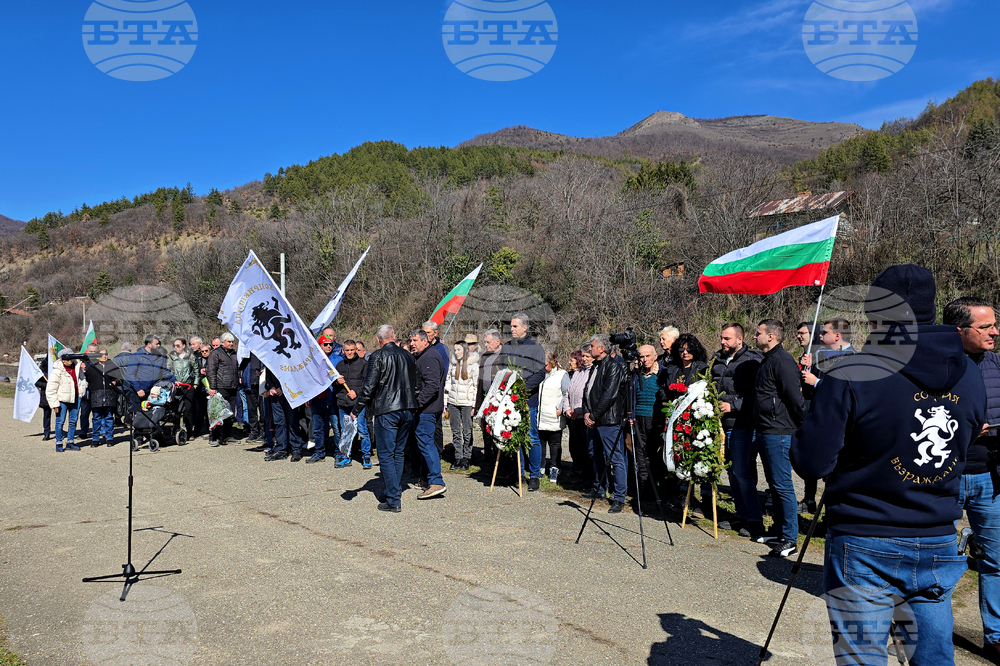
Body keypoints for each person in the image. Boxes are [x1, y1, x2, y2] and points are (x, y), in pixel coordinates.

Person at [792, 265, 986, 665]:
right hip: (936, 534)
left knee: (862, 658)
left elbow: (811, 461)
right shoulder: (970, 373)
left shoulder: (851, 372)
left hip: (866, 536)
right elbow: (964, 443)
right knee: (935, 658)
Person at [943, 296, 1000, 658]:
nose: (995, 332)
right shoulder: (935, 367)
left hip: (990, 479)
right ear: (958, 330)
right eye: (985, 327)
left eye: (994, 324)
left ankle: (996, 636)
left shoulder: (998, 365)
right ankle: (927, 627)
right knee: (937, 560)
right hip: (942, 479)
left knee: (996, 561)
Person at [753, 319, 806, 558]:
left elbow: (794, 397)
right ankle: (778, 531)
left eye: (758, 333)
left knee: (783, 485)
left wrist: (803, 425)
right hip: (765, 429)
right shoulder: (767, 359)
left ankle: (790, 538)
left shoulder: (783, 361)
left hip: (780, 431)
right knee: (773, 484)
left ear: (771, 336)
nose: (755, 336)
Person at [351, 325, 418, 513]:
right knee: (398, 452)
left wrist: (357, 408)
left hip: (387, 409)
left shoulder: (378, 356)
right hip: (406, 408)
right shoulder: (409, 356)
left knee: (387, 454)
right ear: (394, 337)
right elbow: (417, 385)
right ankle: (392, 491)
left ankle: (394, 499)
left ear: (378, 340)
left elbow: (369, 386)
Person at [710, 323, 764, 538]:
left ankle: (755, 520)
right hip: (721, 424)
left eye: (727, 338)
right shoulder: (717, 360)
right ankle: (741, 514)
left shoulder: (751, 361)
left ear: (739, 339)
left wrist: (734, 405)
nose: (722, 342)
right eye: (722, 338)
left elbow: (757, 392)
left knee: (742, 471)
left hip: (742, 423)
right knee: (731, 471)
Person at [582, 334, 628, 513]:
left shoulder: (613, 366)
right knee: (595, 454)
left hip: (608, 420)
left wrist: (593, 415)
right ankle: (599, 489)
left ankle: (619, 497)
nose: (590, 349)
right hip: (593, 418)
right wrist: (587, 411)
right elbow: (588, 390)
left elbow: (609, 395)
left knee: (614, 458)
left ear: (602, 349)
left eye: (593, 346)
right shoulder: (596, 365)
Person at [501, 314, 547, 491]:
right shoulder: (506, 346)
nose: (511, 329)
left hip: (528, 399)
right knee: (514, 436)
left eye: (515, 326)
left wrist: (523, 389)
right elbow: (502, 370)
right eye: (511, 326)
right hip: (509, 398)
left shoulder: (536, 347)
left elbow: (540, 373)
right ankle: (519, 473)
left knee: (531, 437)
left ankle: (534, 475)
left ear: (525, 327)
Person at [410, 329, 447, 499]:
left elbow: (432, 385)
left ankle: (436, 481)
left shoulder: (429, 357)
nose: (412, 343)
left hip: (427, 409)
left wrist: (417, 404)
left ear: (425, 341)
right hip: (427, 408)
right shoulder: (424, 356)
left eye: (415, 340)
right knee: (424, 443)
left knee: (426, 443)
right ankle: (426, 479)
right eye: (411, 340)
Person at [632, 344, 668, 500]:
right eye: (641, 356)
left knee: (655, 456)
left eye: (648, 356)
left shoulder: (663, 373)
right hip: (638, 418)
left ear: (655, 356)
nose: (645, 359)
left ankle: (657, 490)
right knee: (640, 454)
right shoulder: (636, 374)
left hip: (655, 419)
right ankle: (643, 489)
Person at [335, 340, 372, 468]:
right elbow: (334, 385)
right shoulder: (339, 365)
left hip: (358, 404)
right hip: (343, 403)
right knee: (345, 432)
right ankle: (346, 456)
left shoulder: (363, 364)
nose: (350, 352)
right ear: (343, 351)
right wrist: (337, 382)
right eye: (347, 350)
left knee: (362, 430)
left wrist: (356, 392)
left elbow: (368, 384)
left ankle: (366, 456)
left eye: (352, 350)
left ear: (356, 350)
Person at [445, 341, 479, 471]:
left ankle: (467, 457)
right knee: (455, 431)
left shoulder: (473, 366)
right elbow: (448, 384)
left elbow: (475, 386)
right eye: (455, 350)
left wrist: (474, 406)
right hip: (453, 402)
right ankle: (458, 457)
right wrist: (445, 403)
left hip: (467, 403)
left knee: (467, 431)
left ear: (465, 350)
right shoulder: (452, 365)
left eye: (458, 349)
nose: (456, 352)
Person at [537, 350, 569, 482]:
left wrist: (560, 408)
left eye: (545, 364)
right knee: (540, 443)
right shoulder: (540, 374)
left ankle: (554, 468)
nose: (543, 367)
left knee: (555, 444)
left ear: (551, 362)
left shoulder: (562, 374)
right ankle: (540, 467)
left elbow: (567, 392)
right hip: (541, 415)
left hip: (554, 416)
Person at [47, 348, 88, 451]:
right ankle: (59, 443)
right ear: (62, 360)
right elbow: (51, 389)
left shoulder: (77, 367)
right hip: (62, 400)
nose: (70, 360)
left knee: (73, 421)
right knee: (60, 421)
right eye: (68, 358)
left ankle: (70, 442)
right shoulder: (57, 371)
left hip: (76, 397)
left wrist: (82, 389)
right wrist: (54, 404)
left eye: (71, 358)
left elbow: (82, 379)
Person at [262, 367, 305, 463]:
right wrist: (271, 387)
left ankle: (296, 449)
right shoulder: (270, 359)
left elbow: (293, 373)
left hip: (289, 393)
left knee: (292, 422)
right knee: (279, 422)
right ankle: (281, 449)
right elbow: (268, 376)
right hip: (275, 395)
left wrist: (283, 388)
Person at [564, 348, 592, 483]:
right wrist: (567, 408)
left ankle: (587, 475)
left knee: (585, 447)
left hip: (583, 415)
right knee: (576, 446)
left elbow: (587, 395)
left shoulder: (591, 373)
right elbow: (568, 392)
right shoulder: (577, 373)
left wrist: (578, 410)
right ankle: (578, 472)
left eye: (587, 356)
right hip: (572, 415)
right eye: (584, 356)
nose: (585, 359)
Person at [423, 321, 451, 457]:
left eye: (428, 332)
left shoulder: (442, 348)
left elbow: (445, 371)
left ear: (435, 333)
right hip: (424, 390)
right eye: (424, 332)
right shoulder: (420, 347)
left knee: (436, 424)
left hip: (437, 389)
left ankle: (438, 451)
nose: (426, 335)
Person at [124, 335, 175, 411]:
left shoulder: (160, 357)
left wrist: (174, 380)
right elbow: (130, 374)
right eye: (157, 344)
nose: (159, 345)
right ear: (149, 344)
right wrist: (138, 389)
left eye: (159, 343)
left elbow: (165, 372)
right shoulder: (137, 356)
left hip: (154, 392)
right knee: (139, 414)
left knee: (152, 414)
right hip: (139, 392)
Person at [207, 332, 240, 446]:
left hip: (232, 386)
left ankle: (227, 435)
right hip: (221, 387)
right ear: (222, 342)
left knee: (230, 413)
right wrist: (213, 387)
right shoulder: (216, 353)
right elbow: (211, 371)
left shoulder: (234, 354)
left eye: (232, 342)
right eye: (229, 342)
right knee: (218, 413)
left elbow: (238, 368)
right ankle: (214, 437)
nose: (231, 344)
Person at [83, 348, 120, 447]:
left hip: (109, 394)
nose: (104, 356)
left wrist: (115, 382)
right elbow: (87, 380)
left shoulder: (112, 366)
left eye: (105, 354)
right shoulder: (92, 367)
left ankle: (109, 438)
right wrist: (83, 372)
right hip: (96, 395)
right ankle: (95, 439)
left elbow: (120, 378)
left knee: (109, 417)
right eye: (102, 354)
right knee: (96, 418)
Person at [477, 329, 503, 466]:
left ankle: (501, 461)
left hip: (499, 400)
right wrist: (478, 404)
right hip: (485, 398)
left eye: (488, 342)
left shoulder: (504, 356)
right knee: (486, 429)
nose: (485, 345)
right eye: (485, 342)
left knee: (497, 430)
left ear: (497, 341)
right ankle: (489, 458)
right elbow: (480, 381)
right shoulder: (485, 357)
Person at [168, 338, 197, 437]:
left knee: (188, 410)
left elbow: (196, 371)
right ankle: (176, 430)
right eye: (174, 346)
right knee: (176, 410)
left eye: (178, 345)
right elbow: (167, 371)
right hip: (176, 387)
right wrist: (173, 382)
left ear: (184, 346)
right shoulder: (171, 358)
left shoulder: (191, 356)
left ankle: (189, 431)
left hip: (188, 386)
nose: (176, 347)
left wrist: (195, 384)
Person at [77, 343, 99, 441]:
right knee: (84, 413)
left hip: (97, 390)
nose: (92, 353)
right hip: (86, 391)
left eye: (94, 351)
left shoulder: (101, 362)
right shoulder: (82, 362)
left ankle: (98, 432)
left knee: (98, 413)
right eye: (91, 351)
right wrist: (82, 371)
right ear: (87, 351)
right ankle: (83, 432)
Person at [35, 354, 52, 441]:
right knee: (47, 415)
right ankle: (46, 432)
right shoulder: (42, 368)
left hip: (58, 394)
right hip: (46, 395)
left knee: (60, 415)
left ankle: (59, 432)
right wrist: (47, 385)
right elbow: (37, 382)